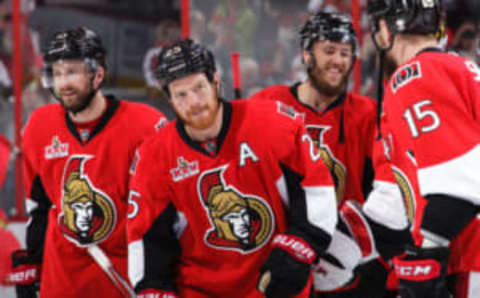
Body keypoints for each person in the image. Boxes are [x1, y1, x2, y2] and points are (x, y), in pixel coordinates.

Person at [127, 38, 338, 298]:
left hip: (272, 286)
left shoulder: (272, 124)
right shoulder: (154, 156)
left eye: (199, 88)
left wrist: (299, 247)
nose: (193, 102)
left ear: (216, 82)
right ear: (169, 98)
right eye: (181, 94)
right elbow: (148, 238)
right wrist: (152, 287)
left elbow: (316, 189)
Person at [249, 12, 412, 297]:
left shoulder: (368, 114)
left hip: (347, 259)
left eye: (345, 53)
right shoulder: (266, 105)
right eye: (328, 50)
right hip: (283, 253)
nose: (337, 60)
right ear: (307, 55)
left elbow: (391, 181)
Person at [9, 27, 166, 297]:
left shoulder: (145, 126)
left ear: (98, 74)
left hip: (122, 283)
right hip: (61, 285)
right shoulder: (39, 126)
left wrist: (158, 279)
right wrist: (33, 263)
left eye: (72, 72)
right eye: (57, 74)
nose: (63, 83)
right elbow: (40, 206)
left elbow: (161, 216)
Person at [367, 0, 480, 297]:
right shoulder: (454, 67)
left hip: (471, 257)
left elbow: (459, 186)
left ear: (383, 28)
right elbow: (394, 201)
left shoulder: (416, 75)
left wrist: (425, 258)